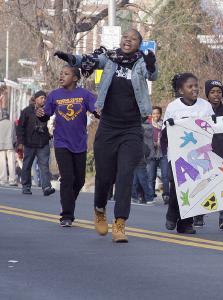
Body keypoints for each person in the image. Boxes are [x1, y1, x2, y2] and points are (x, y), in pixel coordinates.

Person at [55, 28, 157, 242]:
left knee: (125, 175)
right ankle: (100, 209)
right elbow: (88, 60)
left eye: (133, 39)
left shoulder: (141, 62)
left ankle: (120, 223)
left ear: (139, 44)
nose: (128, 41)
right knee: (104, 177)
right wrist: (71, 59)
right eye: (125, 38)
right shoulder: (110, 58)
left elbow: (153, 74)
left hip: (131, 127)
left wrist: (150, 64)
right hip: (109, 126)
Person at [36, 66, 97, 227]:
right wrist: (41, 115)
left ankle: (67, 201)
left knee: (80, 180)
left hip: (80, 143)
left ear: (75, 78)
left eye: (66, 73)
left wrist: (101, 112)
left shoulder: (84, 94)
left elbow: (96, 110)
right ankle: (67, 215)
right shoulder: (54, 95)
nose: (61, 75)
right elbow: (46, 114)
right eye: (61, 73)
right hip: (61, 142)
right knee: (68, 178)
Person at [163, 73, 215, 234]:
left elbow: (212, 127)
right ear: (181, 90)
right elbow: (166, 132)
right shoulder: (173, 107)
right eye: (190, 86)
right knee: (177, 186)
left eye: (196, 86)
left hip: (199, 155)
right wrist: (170, 126)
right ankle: (172, 214)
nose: (195, 89)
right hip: (178, 154)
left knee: (192, 186)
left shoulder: (205, 106)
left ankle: (186, 223)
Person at [193, 80, 223, 229]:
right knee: (204, 184)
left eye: (219, 91)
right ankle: (198, 215)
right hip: (205, 154)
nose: (216, 95)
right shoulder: (201, 110)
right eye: (212, 92)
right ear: (207, 94)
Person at [16, 91, 55, 196]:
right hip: (29, 143)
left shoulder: (47, 110)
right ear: (36, 99)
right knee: (27, 165)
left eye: (45, 98)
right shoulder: (26, 111)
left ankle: (46, 187)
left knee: (44, 165)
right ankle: (26, 187)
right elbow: (20, 128)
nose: (44, 100)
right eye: (42, 98)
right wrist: (20, 142)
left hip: (43, 143)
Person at [146, 106, 170, 204]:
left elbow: (169, 137)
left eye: (158, 113)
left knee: (165, 176)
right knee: (151, 177)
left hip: (163, 154)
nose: (156, 115)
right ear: (151, 115)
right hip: (151, 155)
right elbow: (145, 139)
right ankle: (151, 196)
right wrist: (153, 143)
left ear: (161, 114)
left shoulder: (165, 125)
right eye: (154, 113)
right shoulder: (147, 125)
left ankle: (166, 195)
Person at [131, 121, 154, 204]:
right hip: (133, 164)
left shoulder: (141, 142)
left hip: (140, 164)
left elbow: (147, 150)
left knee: (143, 181)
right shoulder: (132, 142)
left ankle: (149, 197)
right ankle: (135, 197)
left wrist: (144, 157)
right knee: (134, 182)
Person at [0, 111, 17, 186]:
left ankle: (3, 179)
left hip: (1, 145)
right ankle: (12, 180)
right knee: (11, 163)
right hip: (10, 145)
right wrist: (14, 142)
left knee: (2, 163)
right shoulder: (11, 123)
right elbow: (14, 135)